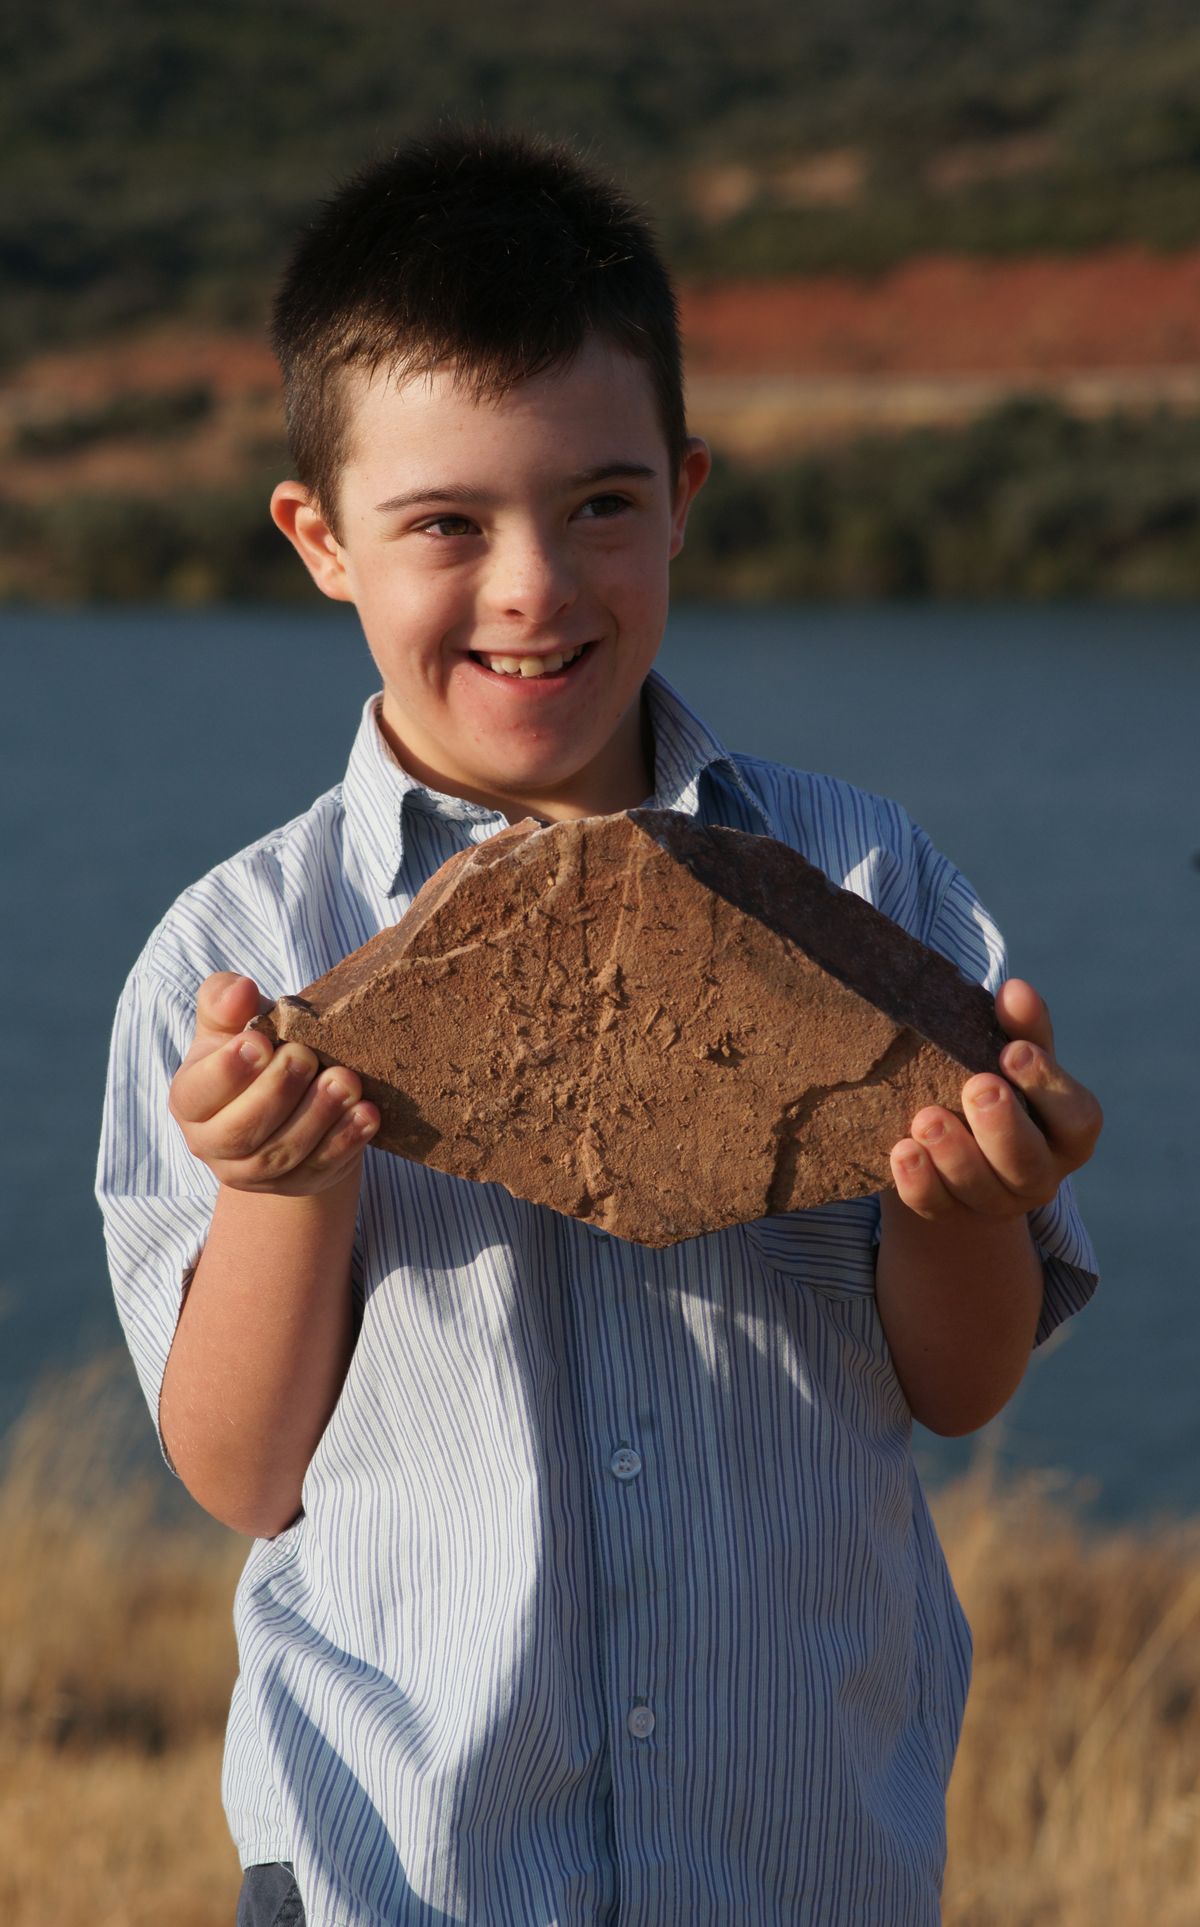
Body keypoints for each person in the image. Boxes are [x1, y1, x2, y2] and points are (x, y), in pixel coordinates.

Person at [97, 126, 1102, 1926]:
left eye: (601, 504)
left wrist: (958, 1208)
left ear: (688, 491)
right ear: (318, 540)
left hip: (796, 1855)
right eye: (445, 525)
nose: (534, 588)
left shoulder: (861, 879)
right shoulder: (240, 953)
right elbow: (243, 1475)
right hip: (396, 1868)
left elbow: (961, 1389)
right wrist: (283, 1185)